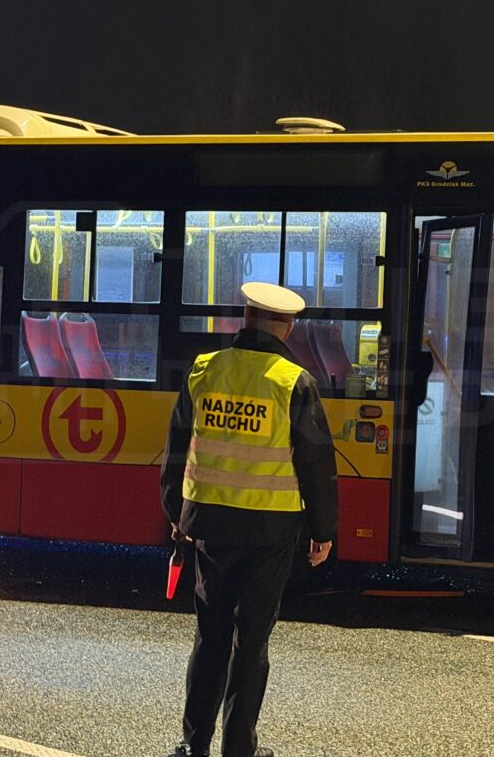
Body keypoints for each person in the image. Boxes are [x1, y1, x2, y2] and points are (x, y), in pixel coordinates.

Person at [161, 282, 338, 757]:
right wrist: (323, 531)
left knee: (211, 636)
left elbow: (177, 448)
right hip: (270, 531)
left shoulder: (205, 369)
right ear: (290, 327)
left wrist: (176, 514)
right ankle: (240, 748)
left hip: (210, 526)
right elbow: (316, 463)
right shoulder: (293, 382)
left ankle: (193, 745)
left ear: (245, 316)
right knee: (251, 641)